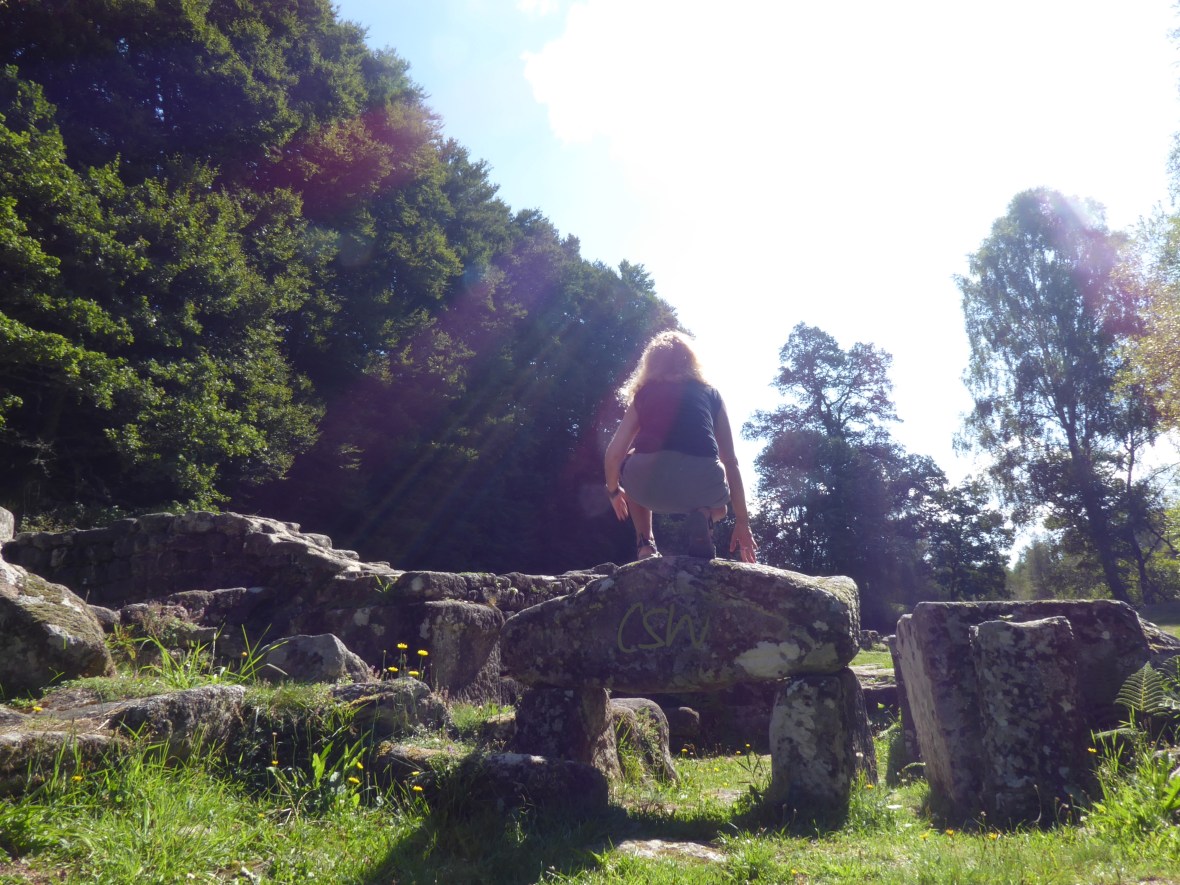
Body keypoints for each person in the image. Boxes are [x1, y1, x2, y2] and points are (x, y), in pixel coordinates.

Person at [604, 330, 758, 563]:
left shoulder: (643, 394)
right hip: (702, 481)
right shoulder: (711, 394)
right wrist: (743, 523)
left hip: (647, 484)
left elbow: (614, 454)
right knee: (720, 510)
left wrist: (614, 491)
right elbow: (731, 461)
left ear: (650, 363)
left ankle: (646, 544)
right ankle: (704, 518)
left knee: (633, 462)